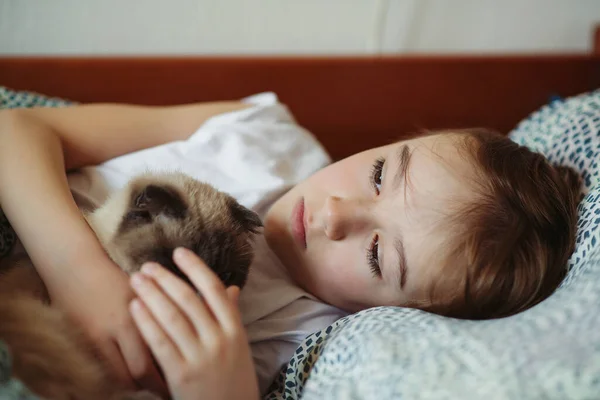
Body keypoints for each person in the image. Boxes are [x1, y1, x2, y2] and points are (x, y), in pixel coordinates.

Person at [0, 93, 580, 399]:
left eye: (379, 256)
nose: (334, 214)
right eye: (379, 174)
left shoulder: (303, 340)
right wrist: (76, 270)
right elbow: (16, 130)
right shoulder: (262, 130)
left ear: (400, 313)